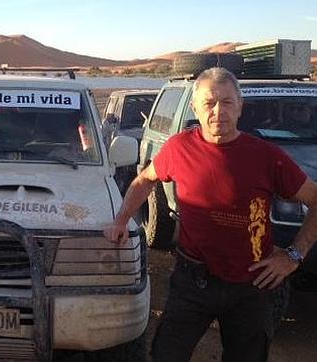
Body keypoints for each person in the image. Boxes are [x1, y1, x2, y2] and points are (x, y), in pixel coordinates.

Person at [106, 67, 317, 362]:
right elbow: (145, 180)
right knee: (166, 354)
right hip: (192, 280)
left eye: (228, 102)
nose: (218, 111)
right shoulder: (179, 147)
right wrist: (120, 220)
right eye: (209, 102)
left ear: (241, 107)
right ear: (195, 107)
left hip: (251, 285)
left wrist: (294, 256)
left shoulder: (267, 157)